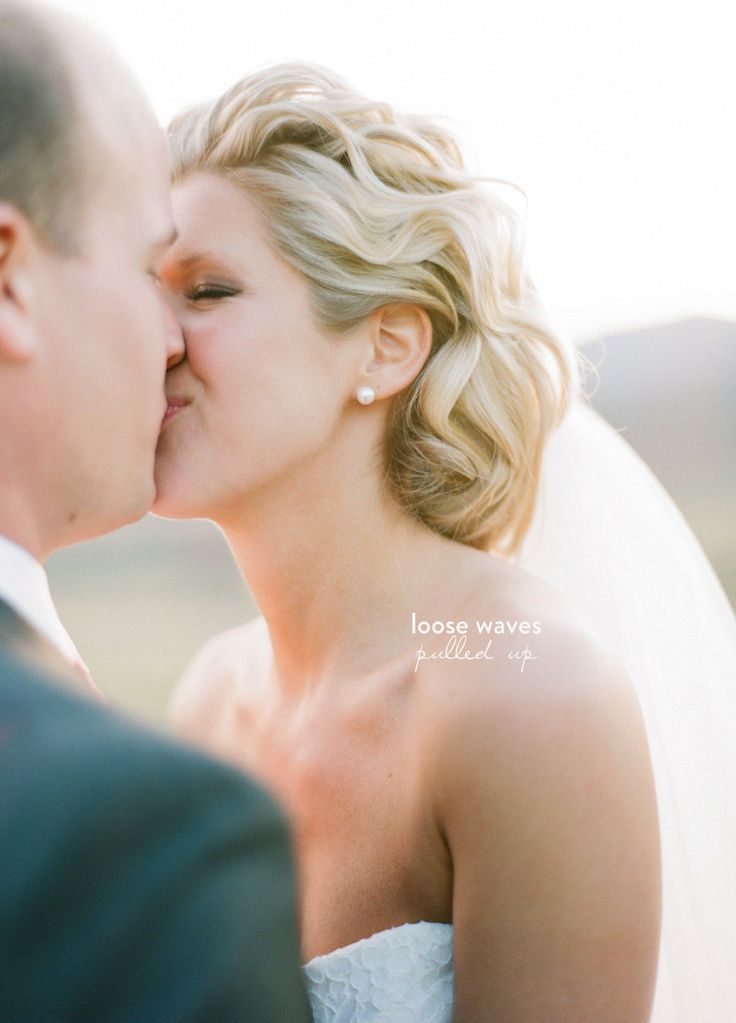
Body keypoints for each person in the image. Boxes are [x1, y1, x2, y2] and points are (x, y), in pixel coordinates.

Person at [159, 64, 663, 1021]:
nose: (157, 340)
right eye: (149, 295)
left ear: (388, 346)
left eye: (208, 290)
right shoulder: (210, 703)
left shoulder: (523, 690)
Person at [0, 6, 312, 1020]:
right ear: (9, 280)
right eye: (151, 270)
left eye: (209, 292)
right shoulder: (140, 832)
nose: (172, 344)